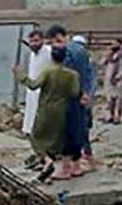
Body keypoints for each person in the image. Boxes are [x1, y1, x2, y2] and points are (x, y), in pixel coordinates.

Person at [15, 44, 81, 182]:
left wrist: (21, 76)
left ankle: (47, 160)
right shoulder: (73, 75)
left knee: (36, 137)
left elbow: (33, 85)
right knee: (56, 140)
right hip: (62, 111)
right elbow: (74, 93)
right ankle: (51, 168)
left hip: (46, 109)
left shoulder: (48, 72)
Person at [48, 25, 97, 171]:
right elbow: (89, 75)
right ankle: (81, 162)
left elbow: (65, 76)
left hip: (69, 98)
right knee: (81, 129)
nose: (55, 45)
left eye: (56, 41)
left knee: (67, 132)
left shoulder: (65, 54)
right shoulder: (82, 51)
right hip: (82, 96)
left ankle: (67, 168)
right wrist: (87, 93)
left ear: (62, 37)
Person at [22, 29, 52, 136]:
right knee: (30, 109)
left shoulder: (49, 52)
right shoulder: (32, 54)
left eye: (36, 41)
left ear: (42, 40)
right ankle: (28, 130)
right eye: (31, 41)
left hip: (44, 88)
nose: (33, 44)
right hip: (32, 87)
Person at [104, 38, 122, 125]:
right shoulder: (111, 54)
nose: (113, 45)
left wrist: (118, 77)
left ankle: (118, 117)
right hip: (109, 80)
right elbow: (103, 63)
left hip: (120, 80)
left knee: (119, 99)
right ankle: (111, 116)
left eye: (115, 44)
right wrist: (107, 56)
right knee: (110, 99)